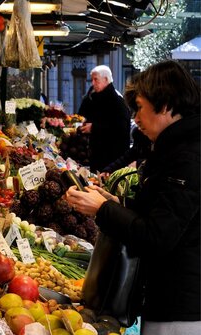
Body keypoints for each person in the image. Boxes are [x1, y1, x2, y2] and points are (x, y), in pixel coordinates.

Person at [66, 60, 200, 335]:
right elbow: (159, 213)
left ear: (163, 104)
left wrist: (104, 209)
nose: (135, 118)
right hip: (166, 295)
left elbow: (158, 235)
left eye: (139, 107)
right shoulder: (173, 149)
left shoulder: (187, 158)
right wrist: (116, 204)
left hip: (179, 306)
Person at [78, 65, 131, 172]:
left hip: (111, 157)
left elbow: (121, 127)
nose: (92, 83)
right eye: (92, 79)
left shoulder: (117, 100)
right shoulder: (95, 97)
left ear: (106, 79)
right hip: (98, 154)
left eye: (96, 79)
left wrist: (94, 128)